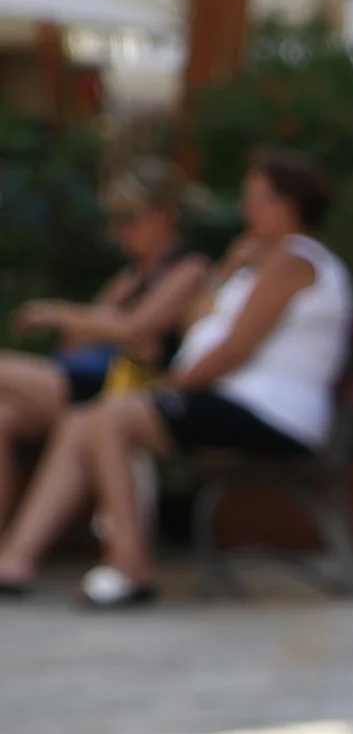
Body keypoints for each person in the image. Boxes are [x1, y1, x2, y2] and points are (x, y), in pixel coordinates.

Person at [0, 150, 353, 610]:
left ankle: (130, 566)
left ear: (288, 206)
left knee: (111, 419)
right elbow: (206, 330)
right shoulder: (259, 263)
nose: (247, 211)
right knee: (83, 422)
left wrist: (171, 386)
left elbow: (232, 350)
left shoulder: (293, 260)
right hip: (238, 401)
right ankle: (17, 558)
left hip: (269, 411)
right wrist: (229, 271)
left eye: (256, 200)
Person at [0, 163, 210, 532]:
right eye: (115, 221)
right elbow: (81, 340)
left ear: (163, 216)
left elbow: (135, 327)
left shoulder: (189, 269)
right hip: (86, 376)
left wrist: (61, 314)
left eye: (129, 219)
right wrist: (95, 324)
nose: (120, 232)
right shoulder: (130, 278)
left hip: (128, 388)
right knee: (3, 416)